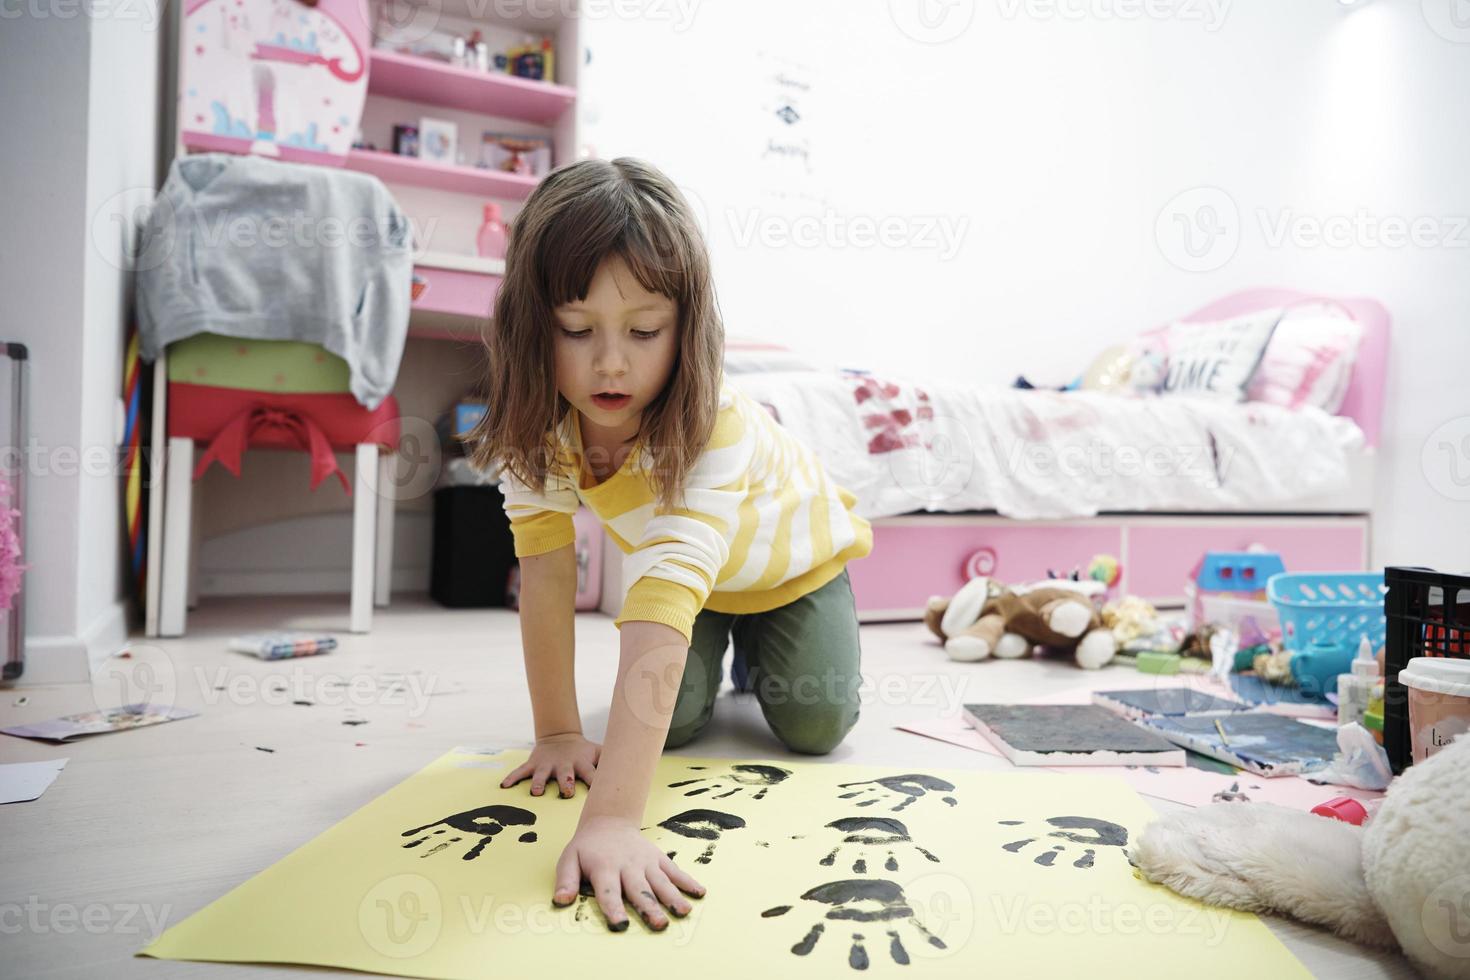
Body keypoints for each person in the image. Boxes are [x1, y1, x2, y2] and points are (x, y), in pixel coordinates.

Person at [465, 157, 873, 934]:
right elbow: (546, 572)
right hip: (698, 586)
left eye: (644, 331)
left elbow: (661, 595)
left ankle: (763, 645)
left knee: (817, 725)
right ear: (531, 327)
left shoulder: (715, 422)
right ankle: (724, 638)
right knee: (674, 727)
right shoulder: (539, 430)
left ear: (685, 329)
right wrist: (556, 731)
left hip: (792, 568)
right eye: (577, 331)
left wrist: (613, 820)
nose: (610, 362)